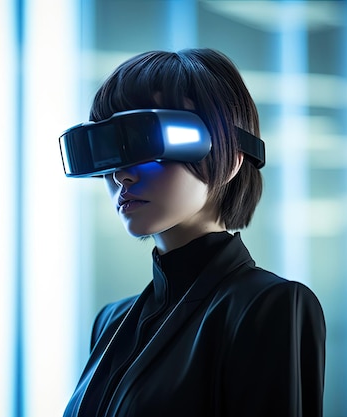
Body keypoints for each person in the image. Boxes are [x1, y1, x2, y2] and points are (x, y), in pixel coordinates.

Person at [60, 48, 326, 417]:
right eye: (110, 150)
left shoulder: (269, 307)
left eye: (144, 140)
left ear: (230, 157)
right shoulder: (111, 322)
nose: (122, 174)